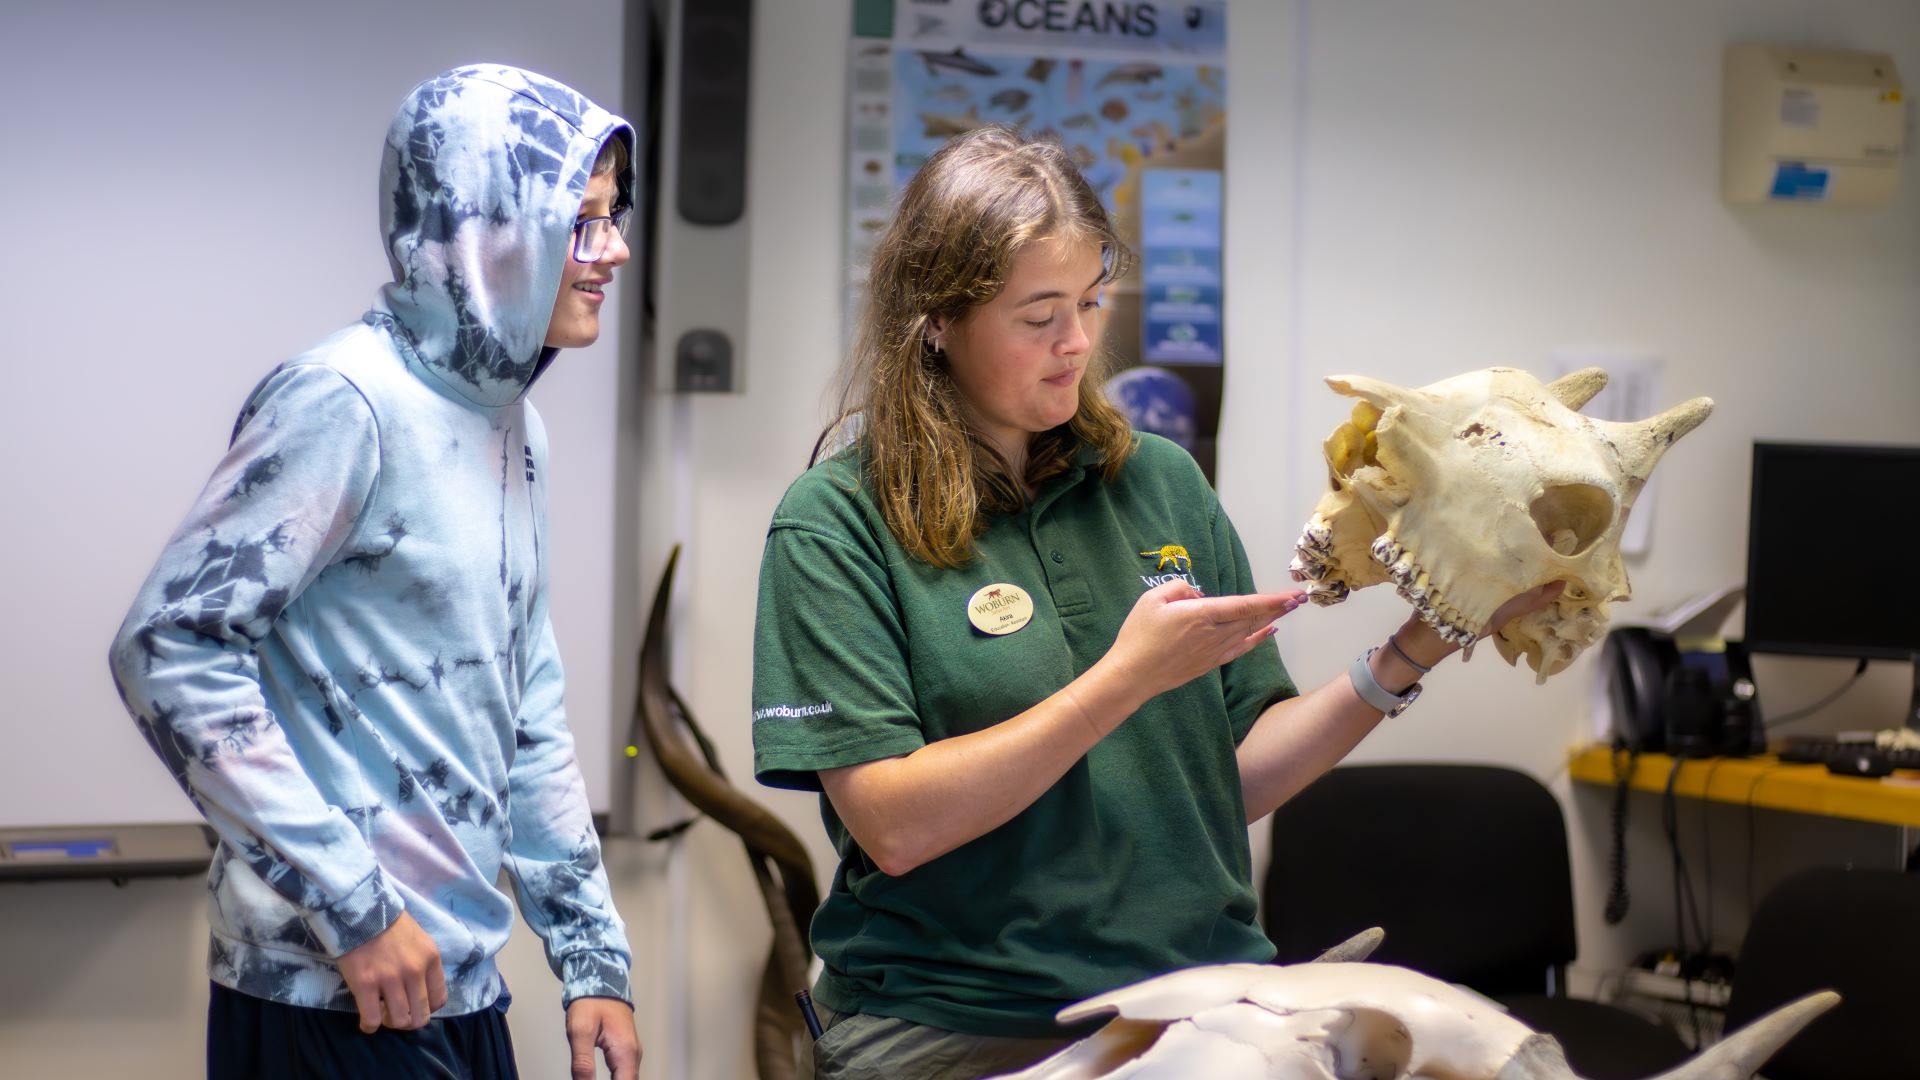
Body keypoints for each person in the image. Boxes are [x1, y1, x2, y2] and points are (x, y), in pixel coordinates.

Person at [749, 126, 1563, 1080]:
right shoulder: (837, 520)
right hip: (960, 1019)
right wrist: (1125, 679)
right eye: (1039, 314)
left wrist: (1420, 643)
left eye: (1092, 301)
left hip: (1200, 1002)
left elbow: (1233, 782)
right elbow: (893, 826)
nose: (1079, 342)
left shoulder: (1161, 483)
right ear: (936, 320)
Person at [108, 65, 641, 1080]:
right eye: (580, 222)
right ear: (480, 224)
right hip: (330, 993)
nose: (612, 250)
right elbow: (168, 647)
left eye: (613, 218)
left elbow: (528, 704)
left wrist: (592, 959)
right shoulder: (343, 400)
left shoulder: (513, 424)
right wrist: (353, 904)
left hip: (458, 985)